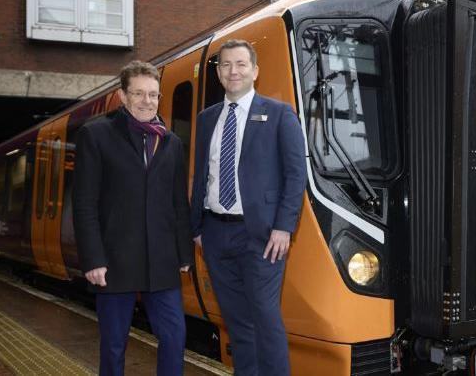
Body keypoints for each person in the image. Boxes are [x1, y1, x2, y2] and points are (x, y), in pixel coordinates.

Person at [190, 39, 306, 376]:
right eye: (225, 65)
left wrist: (285, 227)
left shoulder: (280, 114)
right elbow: (202, 176)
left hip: (262, 236)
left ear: (255, 71)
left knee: (266, 321)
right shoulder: (207, 118)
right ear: (218, 74)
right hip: (214, 234)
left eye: (240, 64)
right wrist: (196, 228)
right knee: (237, 323)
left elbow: (296, 173)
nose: (233, 71)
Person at [72, 60, 192, 376]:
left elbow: (179, 201)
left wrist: (184, 253)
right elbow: (84, 203)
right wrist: (93, 259)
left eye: (153, 95)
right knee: (114, 346)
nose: (146, 101)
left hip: (161, 261)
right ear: (123, 96)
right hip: (114, 261)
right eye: (138, 94)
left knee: (175, 337)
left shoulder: (172, 143)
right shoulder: (95, 135)